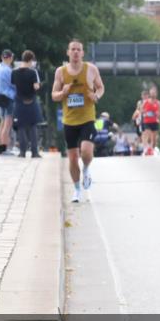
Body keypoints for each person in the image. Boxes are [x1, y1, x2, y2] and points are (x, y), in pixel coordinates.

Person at [51, 39, 104, 203]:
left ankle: (86, 169)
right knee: (73, 158)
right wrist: (63, 93)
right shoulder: (60, 72)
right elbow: (54, 95)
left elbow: (101, 87)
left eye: (78, 49)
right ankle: (76, 190)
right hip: (69, 121)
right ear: (68, 52)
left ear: (82, 53)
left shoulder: (91, 69)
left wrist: (96, 96)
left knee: (86, 152)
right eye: (72, 49)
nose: (75, 52)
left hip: (87, 118)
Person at [11, 50, 43, 158]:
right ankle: (34, 152)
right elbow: (36, 87)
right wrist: (39, 84)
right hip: (31, 101)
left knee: (21, 126)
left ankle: (22, 152)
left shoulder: (14, 72)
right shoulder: (33, 72)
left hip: (19, 102)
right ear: (30, 60)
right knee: (33, 126)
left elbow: (13, 84)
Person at [0, 49, 17, 155]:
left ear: (2, 57)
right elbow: (13, 85)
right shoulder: (9, 70)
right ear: (10, 58)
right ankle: (5, 148)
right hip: (8, 97)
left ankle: (0, 148)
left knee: (1, 123)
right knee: (7, 124)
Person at [141, 85, 160, 155]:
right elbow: (141, 110)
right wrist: (145, 112)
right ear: (150, 93)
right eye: (152, 92)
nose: (153, 93)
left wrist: (158, 114)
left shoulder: (158, 103)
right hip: (147, 121)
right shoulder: (146, 102)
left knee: (154, 139)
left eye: (154, 92)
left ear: (156, 94)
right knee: (148, 135)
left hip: (155, 122)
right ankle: (146, 149)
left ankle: (152, 149)